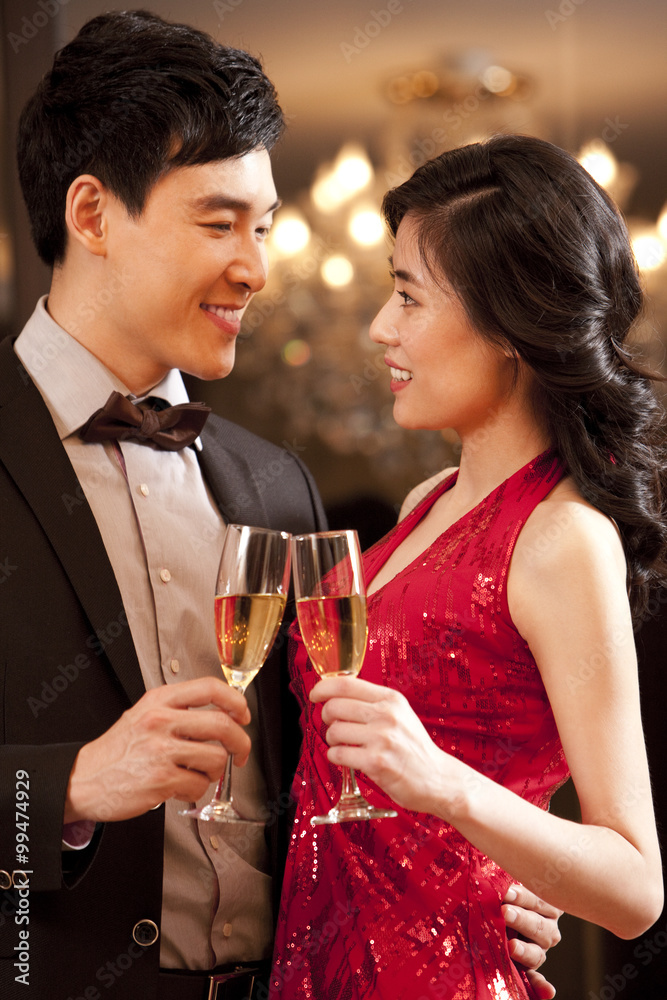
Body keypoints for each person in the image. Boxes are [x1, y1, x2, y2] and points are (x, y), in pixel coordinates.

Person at [0, 13, 558, 1000]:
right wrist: (72, 786)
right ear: (91, 215)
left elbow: (330, 785)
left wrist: (470, 880)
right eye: (220, 223)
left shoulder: (276, 484)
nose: (256, 268)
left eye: (265, 227)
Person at [269, 135, 666, 999]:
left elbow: (635, 887)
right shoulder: (425, 501)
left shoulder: (563, 539)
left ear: (509, 324)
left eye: (408, 295)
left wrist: (442, 784)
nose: (380, 327)